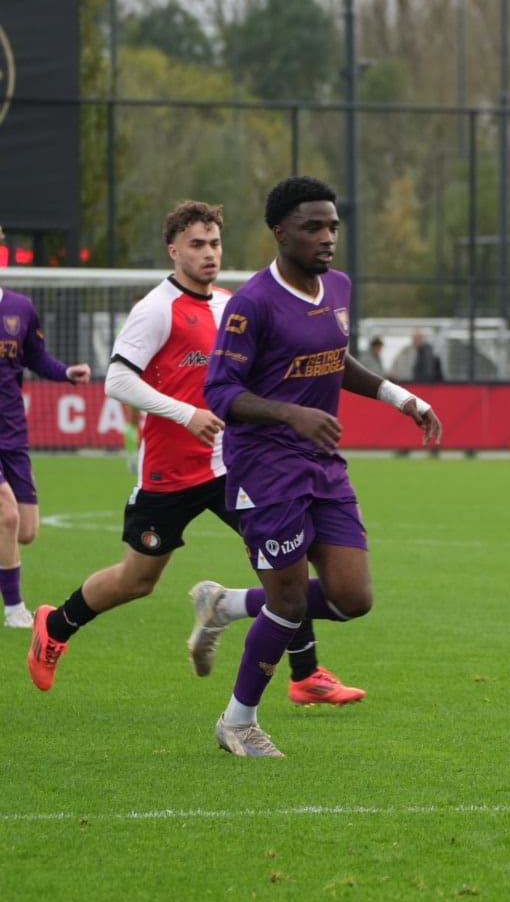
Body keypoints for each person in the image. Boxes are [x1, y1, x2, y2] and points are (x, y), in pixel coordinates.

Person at [23, 201, 363, 704]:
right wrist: (186, 413)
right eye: (198, 245)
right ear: (174, 250)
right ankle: (57, 624)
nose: (209, 254)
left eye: (215, 243)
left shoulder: (231, 303)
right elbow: (117, 379)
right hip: (170, 472)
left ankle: (306, 673)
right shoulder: (156, 309)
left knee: (285, 564)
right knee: (136, 581)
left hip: (232, 465)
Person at [201, 176, 442, 757]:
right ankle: (237, 721)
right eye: (313, 227)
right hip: (266, 468)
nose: (327, 237)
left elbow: (335, 359)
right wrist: (291, 415)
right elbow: (219, 391)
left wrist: (400, 397)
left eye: (332, 225)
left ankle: (227, 604)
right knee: (287, 603)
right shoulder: (251, 303)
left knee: (352, 597)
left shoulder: (337, 286)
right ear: (280, 233)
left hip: (322, 462)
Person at [0, 224, 92, 629]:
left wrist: (67, 371)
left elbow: (37, 357)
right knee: (6, 518)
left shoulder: (20, 308)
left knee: (26, 531)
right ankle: (14, 609)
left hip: (12, 432)